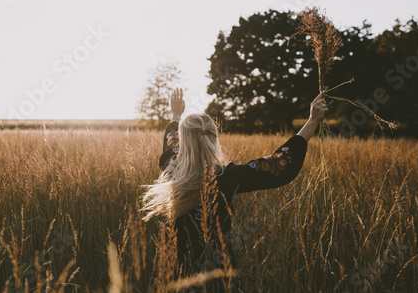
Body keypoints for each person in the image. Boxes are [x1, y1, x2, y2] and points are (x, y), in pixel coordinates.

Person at [141, 87, 328, 292]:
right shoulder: (227, 176)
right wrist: (312, 122)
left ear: (185, 141)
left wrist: (176, 114)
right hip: (218, 272)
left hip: (175, 269)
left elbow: (172, 143)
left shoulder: (173, 166)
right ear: (214, 140)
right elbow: (279, 164)